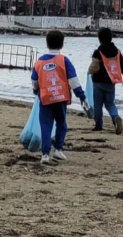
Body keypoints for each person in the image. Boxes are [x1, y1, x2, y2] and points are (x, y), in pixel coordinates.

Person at [32, 30, 88, 164]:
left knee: (45, 125)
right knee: (61, 124)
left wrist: (36, 92)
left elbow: (34, 81)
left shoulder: (39, 62)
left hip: (45, 98)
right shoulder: (64, 60)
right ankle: (58, 149)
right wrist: (82, 96)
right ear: (62, 44)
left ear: (47, 43)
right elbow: (73, 80)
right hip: (60, 98)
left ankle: (45, 154)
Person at [88, 27, 123, 135]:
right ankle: (116, 117)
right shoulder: (117, 52)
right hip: (111, 82)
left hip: (98, 82)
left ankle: (98, 125)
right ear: (111, 37)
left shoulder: (98, 52)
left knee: (98, 104)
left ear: (99, 39)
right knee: (110, 103)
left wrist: (89, 72)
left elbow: (94, 67)